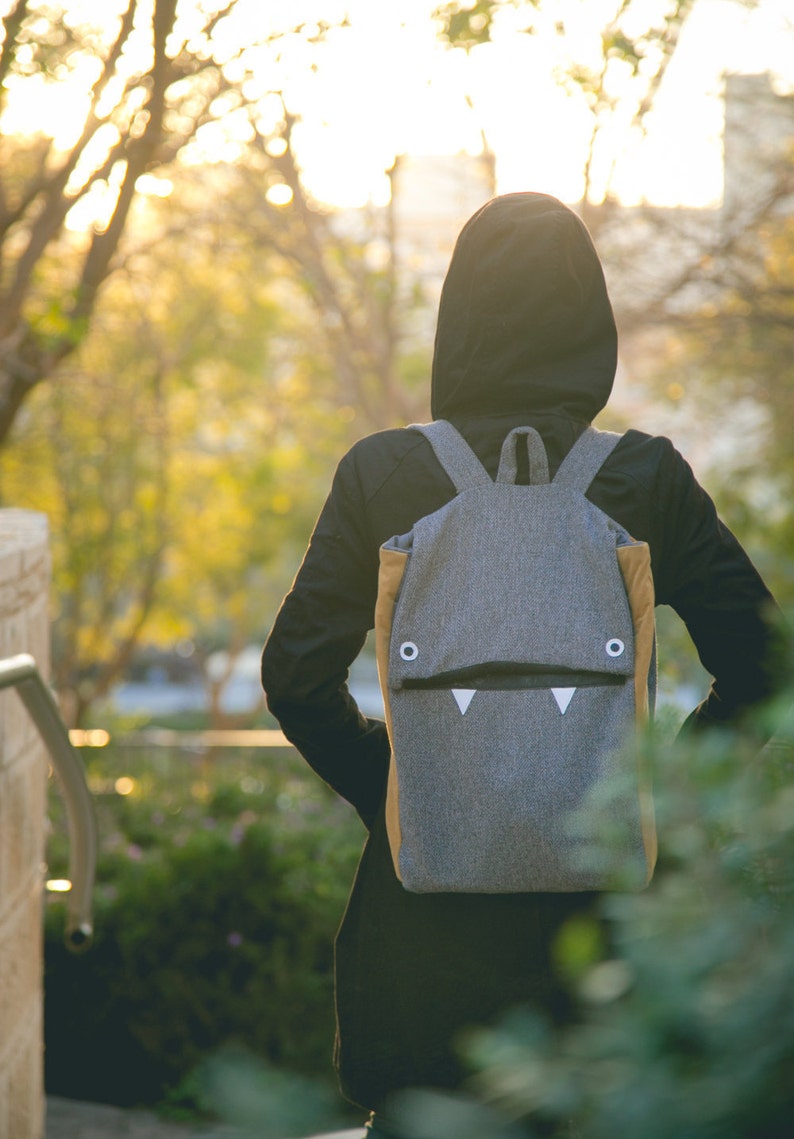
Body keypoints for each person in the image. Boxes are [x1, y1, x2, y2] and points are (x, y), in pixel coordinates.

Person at [260, 192, 779, 1138]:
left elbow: (294, 676)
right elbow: (768, 666)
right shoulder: (646, 481)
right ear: (592, 323)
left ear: (457, 320)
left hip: (424, 961)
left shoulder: (383, 475)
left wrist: (403, 775)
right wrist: (654, 783)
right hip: (604, 953)